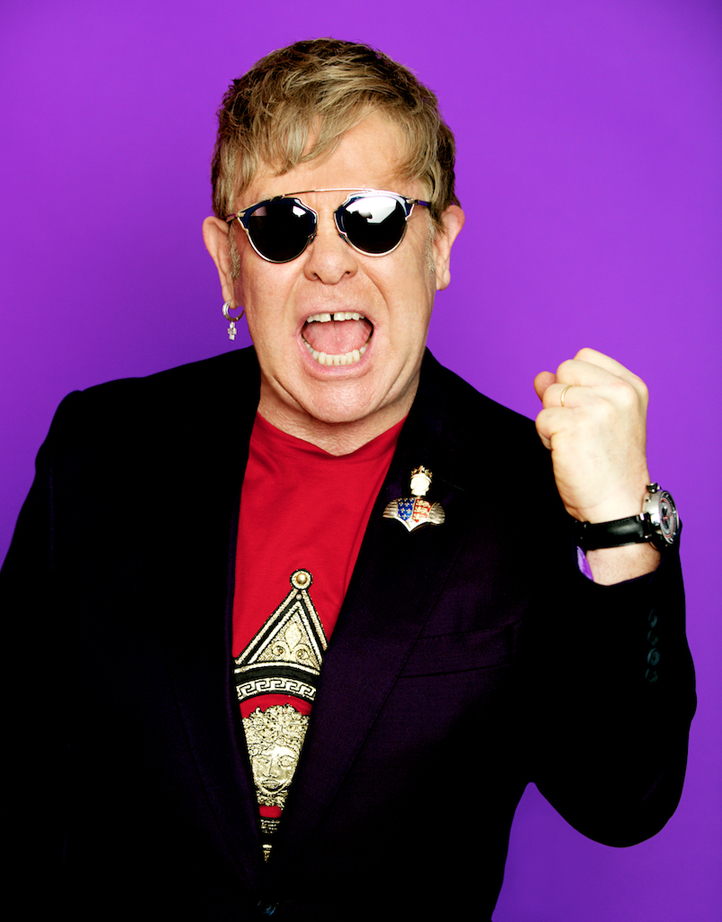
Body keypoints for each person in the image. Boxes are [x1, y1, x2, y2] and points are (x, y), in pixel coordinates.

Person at [0, 38, 695, 921]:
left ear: (440, 244)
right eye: (281, 223)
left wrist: (621, 527)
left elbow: (625, 797)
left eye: (373, 217)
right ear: (228, 260)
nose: (330, 262)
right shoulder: (99, 452)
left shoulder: (527, 486)